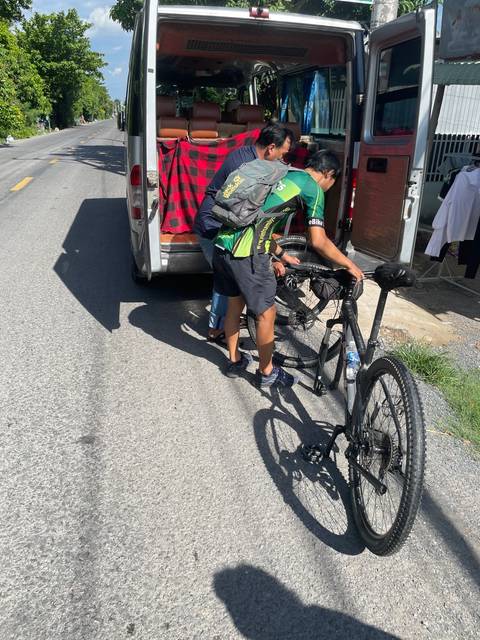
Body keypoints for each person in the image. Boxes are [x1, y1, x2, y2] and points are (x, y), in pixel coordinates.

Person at [212, 150, 364, 388]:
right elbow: (318, 241)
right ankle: (267, 372)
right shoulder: (311, 188)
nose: (329, 187)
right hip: (247, 254)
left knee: (235, 304)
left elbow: (256, 219)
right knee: (267, 314)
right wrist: (350, 264)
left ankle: (234, 360)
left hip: (223, 245)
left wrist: (281, 254)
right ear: (328, 174)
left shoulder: (281, 173)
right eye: (332, 182)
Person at [194, 123, 294, 343]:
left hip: (225, 220)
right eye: (281, 154)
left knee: (232, 279)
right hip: (213, 224)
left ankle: (227, 323)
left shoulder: (251, 157)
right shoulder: (247, 165)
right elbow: (245, 214)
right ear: (270, 148)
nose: (281, 160)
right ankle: (216, 329)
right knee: (226, 278)